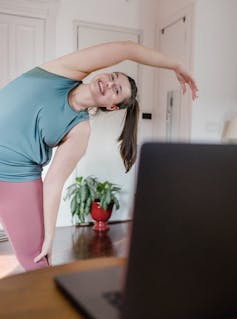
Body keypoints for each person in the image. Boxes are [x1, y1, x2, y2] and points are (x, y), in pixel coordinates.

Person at [0, 41, 198, 271]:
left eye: (116, 91)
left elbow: (53, 182)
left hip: (15, 177)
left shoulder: (80, 130)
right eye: (113, 77)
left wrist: (49, 237)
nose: (109, 83)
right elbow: (127, 49)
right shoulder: (64, 71)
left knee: (37, 263)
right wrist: (175, 64)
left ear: (113, 106)